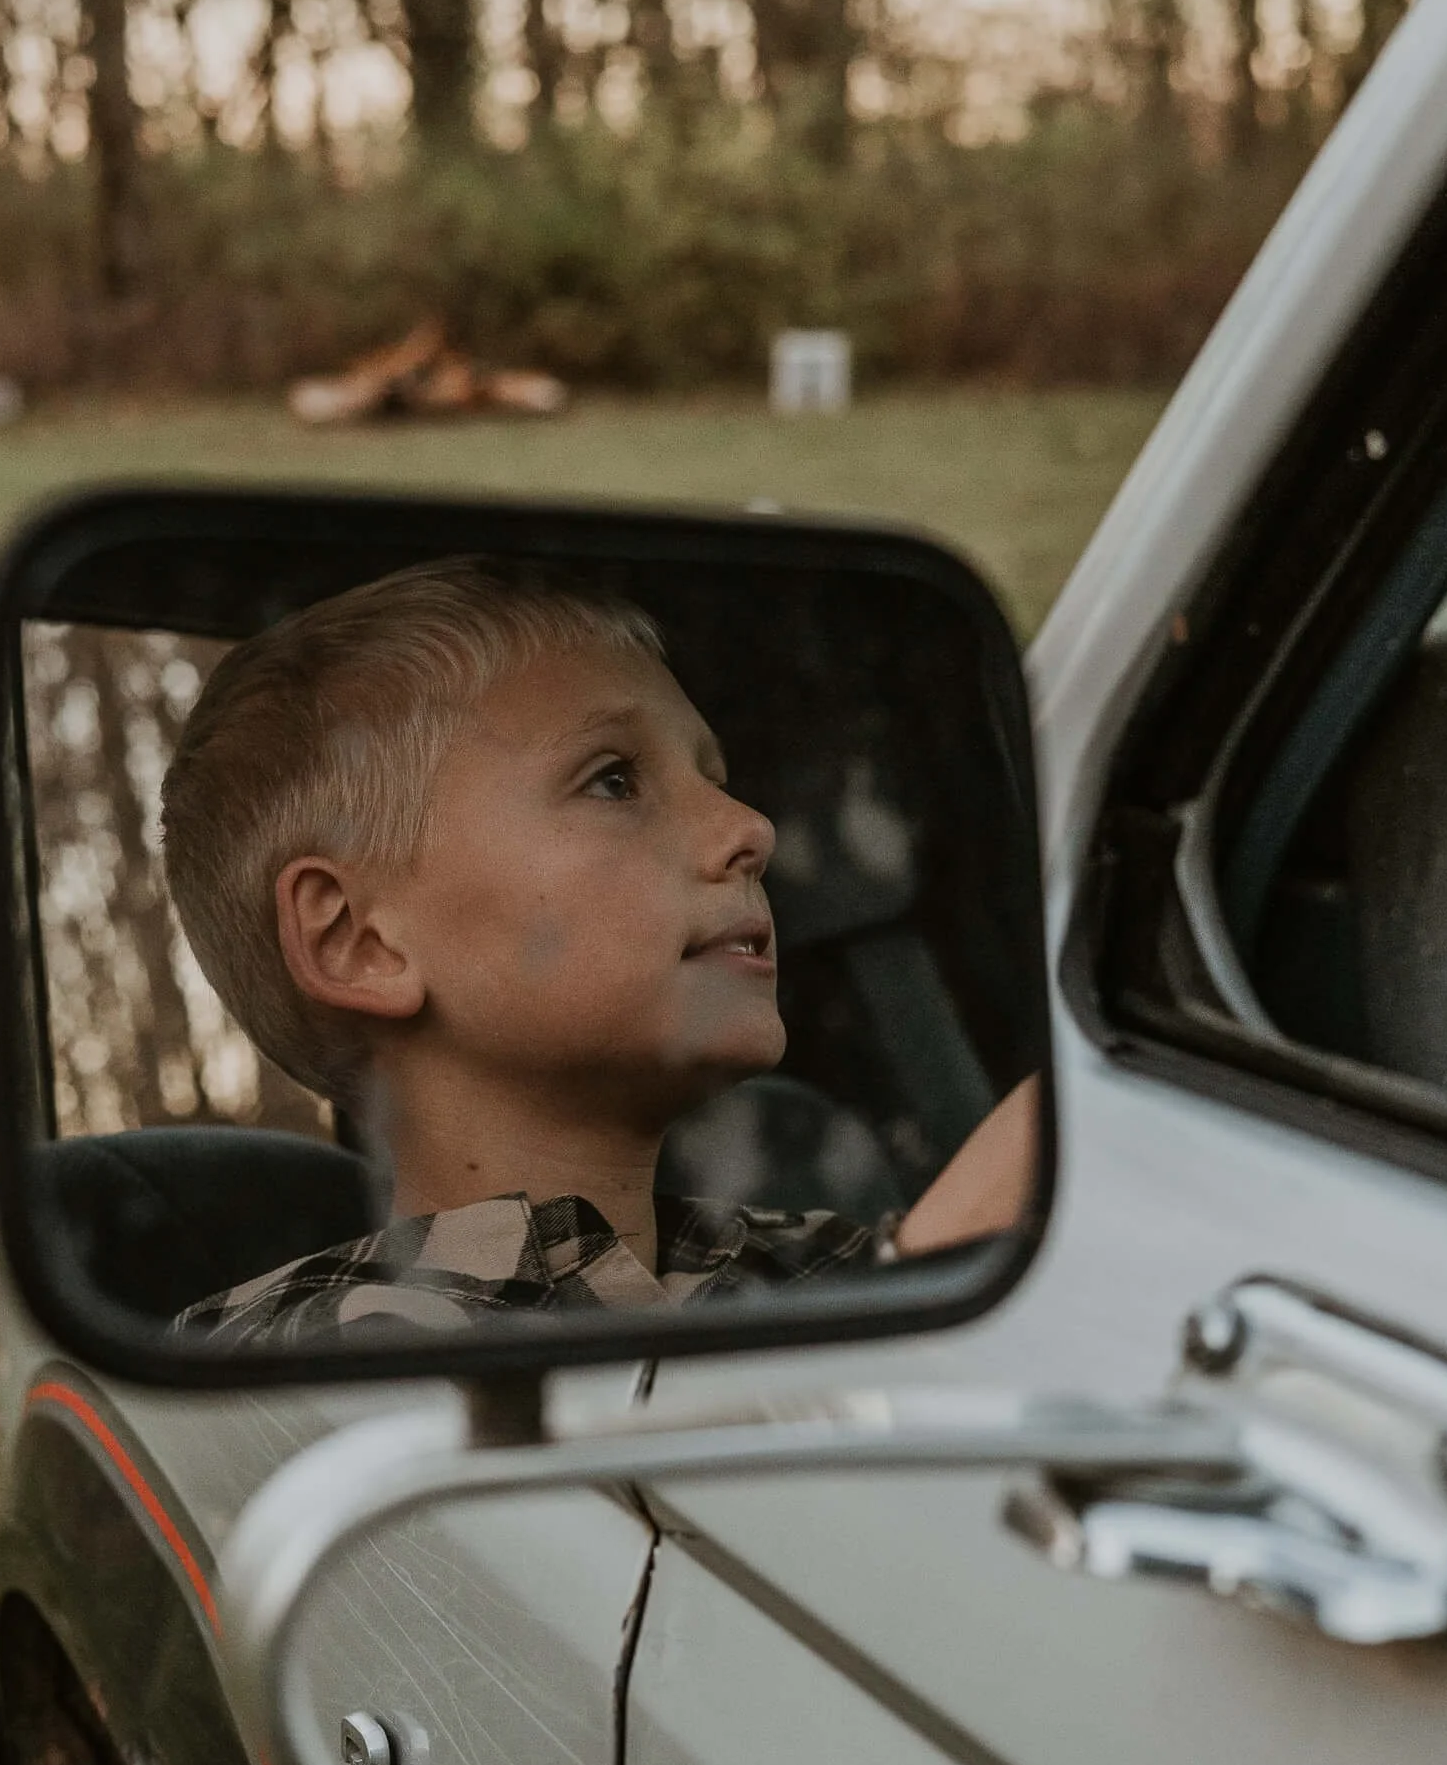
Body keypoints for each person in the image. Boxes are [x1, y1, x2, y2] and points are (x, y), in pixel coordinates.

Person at [159, 559, 1038, 1344]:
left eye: (717, 781)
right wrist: (921, 1280)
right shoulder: (301, 1354)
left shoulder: (801, 1259)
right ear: (360, 941)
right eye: (613, 780)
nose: (751, 830)